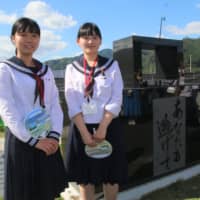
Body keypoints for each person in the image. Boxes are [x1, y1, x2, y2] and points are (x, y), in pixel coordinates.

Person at [0, 17, 67, 200]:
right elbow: (6, 109)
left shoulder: (45, 70)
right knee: (23, 194)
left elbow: (54, 104)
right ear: (13, 38)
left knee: (46, 193)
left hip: (47, 138)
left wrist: (54, 136)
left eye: (34, 35)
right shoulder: (6, 69)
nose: (29, 39)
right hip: (22, 141)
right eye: (23, 34)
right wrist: (33, 141)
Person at [64, 22, 128, 200]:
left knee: (111, 176)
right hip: (81, 128)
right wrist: (84, 133)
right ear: (78, 41)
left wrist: (103, 127)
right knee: (85, 178)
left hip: (108, 126)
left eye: (94, 37)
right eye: (86, 37)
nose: (90, 41)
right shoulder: (71, 68)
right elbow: (72, 102)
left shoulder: (112, 65)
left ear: (100, 41)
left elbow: (116, 98)